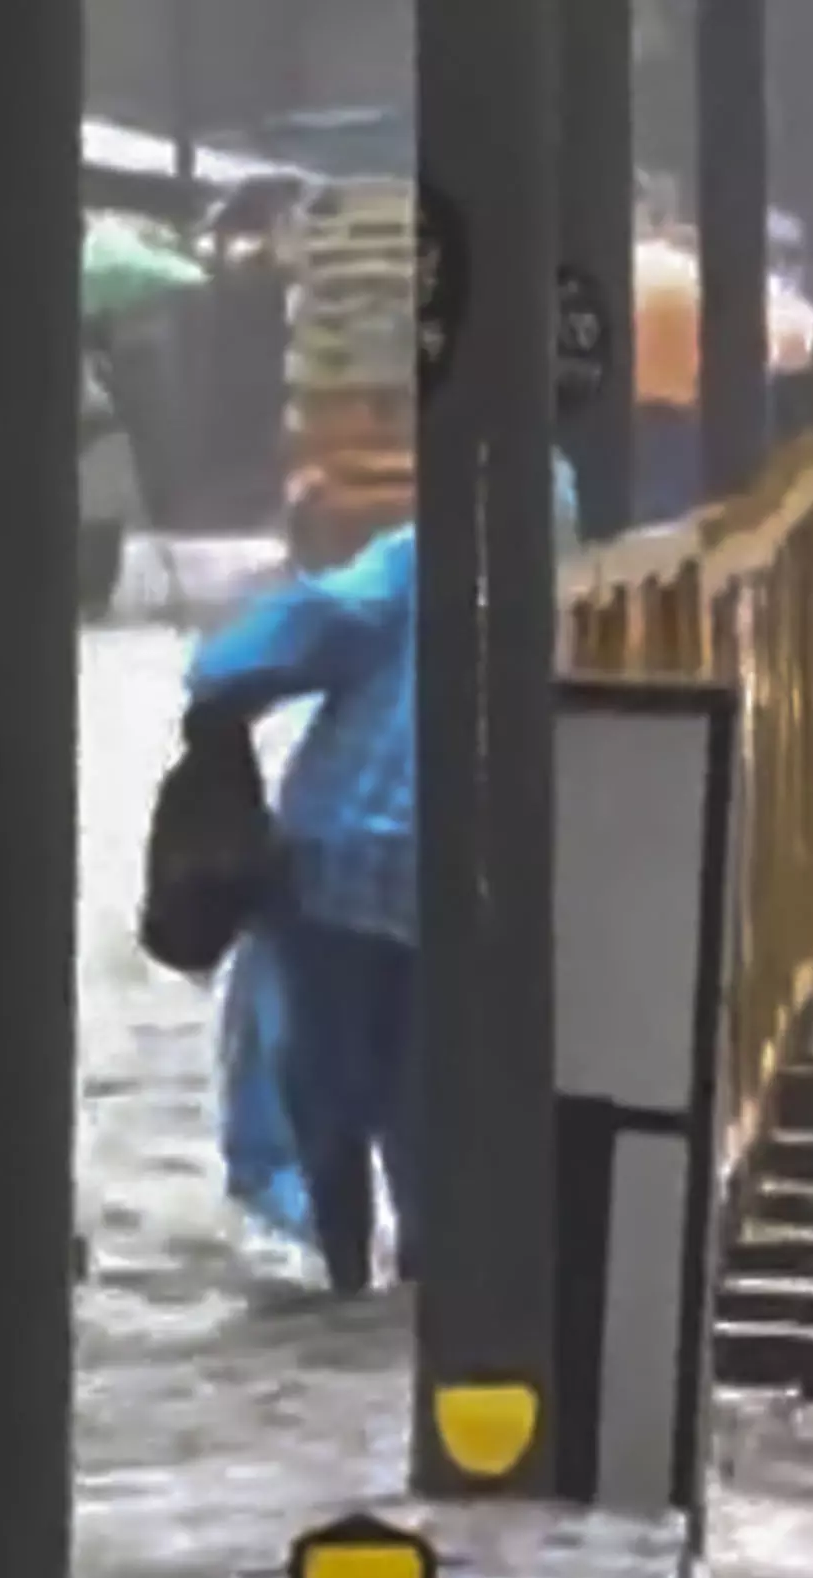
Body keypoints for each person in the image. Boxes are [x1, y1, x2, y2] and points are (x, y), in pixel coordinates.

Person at [183, 459, 581, 1292]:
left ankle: (345, 1276)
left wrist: (219, 683)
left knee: (328, 1094)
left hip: (342, 861)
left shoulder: (416, 562)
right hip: (464, 879)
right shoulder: (576, 592)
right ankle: (418, 1291)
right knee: (430, 1105)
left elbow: (312, 626)